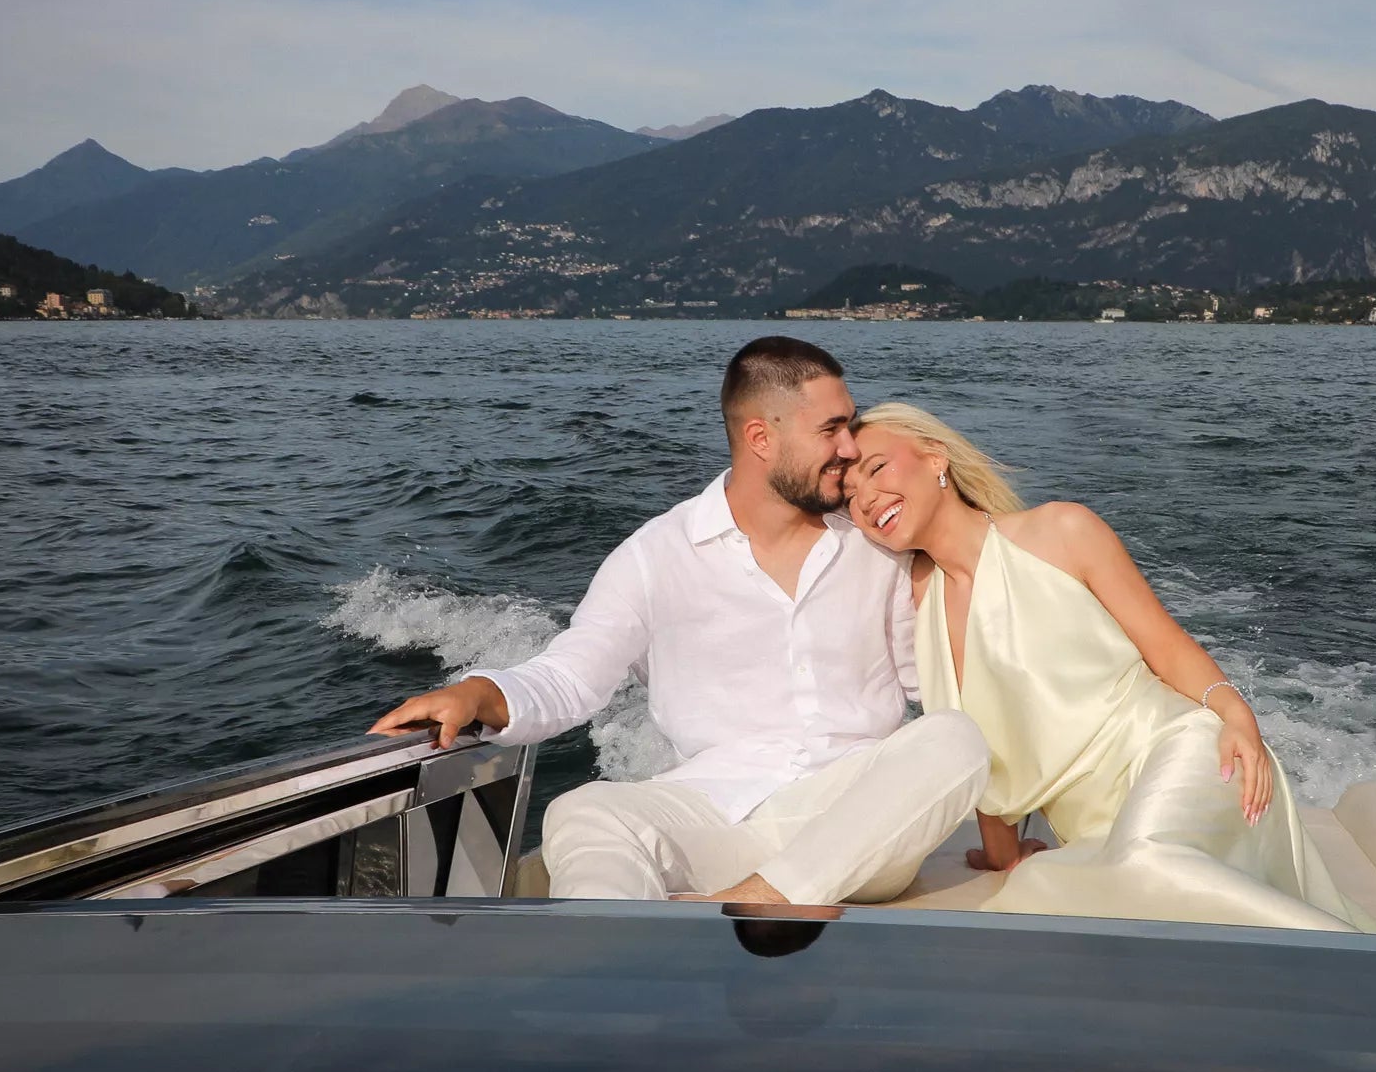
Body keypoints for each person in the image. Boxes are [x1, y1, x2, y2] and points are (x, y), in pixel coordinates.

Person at [369, 338, 989, 905]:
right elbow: (572, 674)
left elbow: (931, 687)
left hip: (856, 822)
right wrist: (477, 692)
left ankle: (761, 904)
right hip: (716, 814)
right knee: (584, 811)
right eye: (832, 429)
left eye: (848, 428)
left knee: (955, 738)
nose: (851, 449)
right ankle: (631, 961)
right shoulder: (655, 554)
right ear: (761, 438)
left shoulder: (877, 548)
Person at [842, 402, 1373, 931]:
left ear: (935, 458)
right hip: (1092, 830)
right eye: (849, 495)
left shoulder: (1060, 531)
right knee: (1031, 887)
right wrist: (1001, 856)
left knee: (1148, 862)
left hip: (1178, 754)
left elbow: (1165, 646)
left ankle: (1363, 968)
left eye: (876, 468)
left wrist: (1238, 717)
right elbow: (985, 752)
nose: (866, 499)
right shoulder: (918, 601)